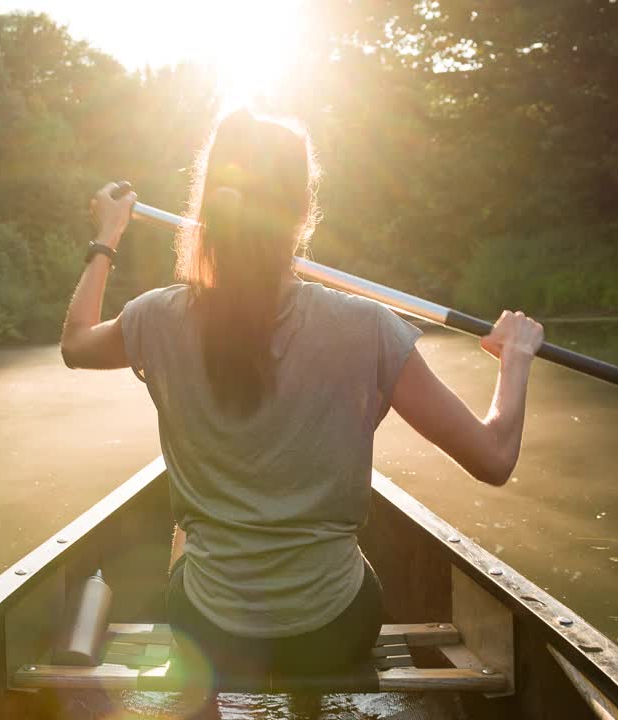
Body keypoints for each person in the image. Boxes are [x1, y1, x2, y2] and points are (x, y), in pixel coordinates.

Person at [60, 109, 543, 687]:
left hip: (212, 632)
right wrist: (515, 359)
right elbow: (493, 458)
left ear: (208, 206)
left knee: (187, 537)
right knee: (338, 565)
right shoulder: (366, 325)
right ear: (302, 210)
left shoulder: (156, 317)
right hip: (331, 631)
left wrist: (107, 237)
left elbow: (75, 344)